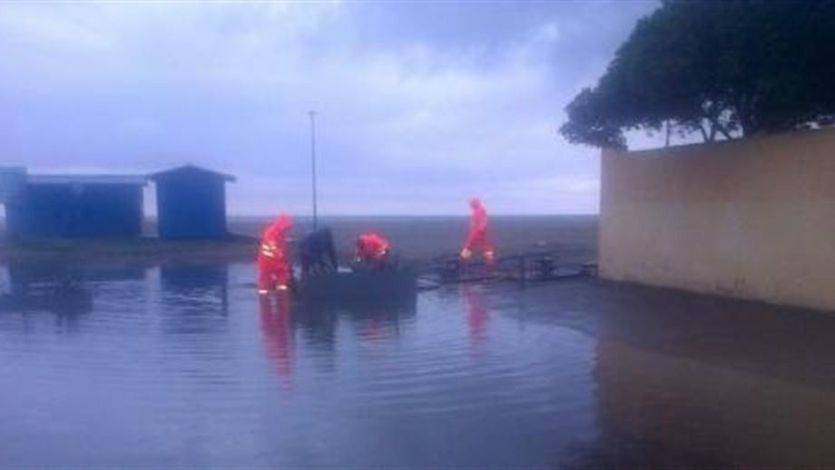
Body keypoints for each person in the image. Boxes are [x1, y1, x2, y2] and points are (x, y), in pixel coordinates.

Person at [257, 214, 293, 295]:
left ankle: (281, 294)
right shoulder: (271, 232)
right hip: (267, 261)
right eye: (286, 227)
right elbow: (272, 245)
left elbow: (281, 246)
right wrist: (280, 254)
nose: (287, 229)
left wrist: (284, 257)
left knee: (282, 276)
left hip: (276, 261)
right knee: (265, 278)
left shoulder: (280, 233)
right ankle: (264, 298)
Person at [461, 197, 495, 264]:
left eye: (471, 204)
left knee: (470, 243)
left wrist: (479, 229)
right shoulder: (478, 210)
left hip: (477, 231)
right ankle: (489, 259)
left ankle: (463, 258)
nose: (470, 205)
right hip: (479, 230)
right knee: (484, 244)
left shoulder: (479, 210)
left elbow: (482, 221)